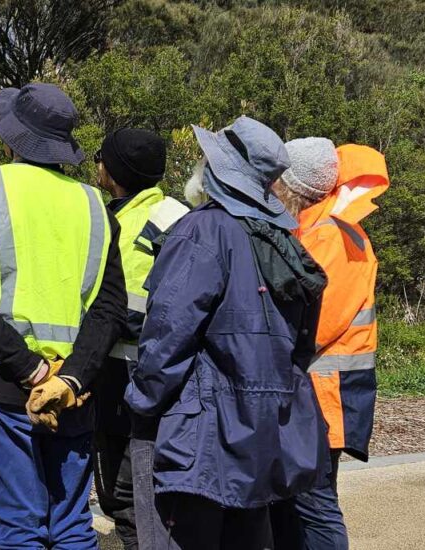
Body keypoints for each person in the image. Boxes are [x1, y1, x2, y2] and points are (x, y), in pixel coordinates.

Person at [126, 116, 330, 550]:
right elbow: (302, 343)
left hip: (197, 436)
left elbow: (167, 335)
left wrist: (141, 404)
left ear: (215, 172)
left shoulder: (203, 230)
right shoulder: (282, 240)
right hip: (259, 432)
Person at [0, 83, 126, 548]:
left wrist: (32, 369)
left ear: (12, 140)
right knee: (70, 524)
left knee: (17, 527)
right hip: (75, 391)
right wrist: (70, 380)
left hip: (4, 385)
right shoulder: (95, 206)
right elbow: (109, 308)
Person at [270, 139, 389, 550]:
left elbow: (311, 326)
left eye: (275, 180)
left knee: (313, 504)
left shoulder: (327, 238)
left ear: (295, 187)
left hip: (324, 396)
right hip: (324, 392)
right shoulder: (325, 228)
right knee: (296, 502)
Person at [90, 128, 189, 550]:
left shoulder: (131, 220)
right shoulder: (176, 212)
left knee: (130, 498)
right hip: (143, 371)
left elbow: (127, 307)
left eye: (101, 158)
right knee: (131, 496)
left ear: (113, 171)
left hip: (130, 374)